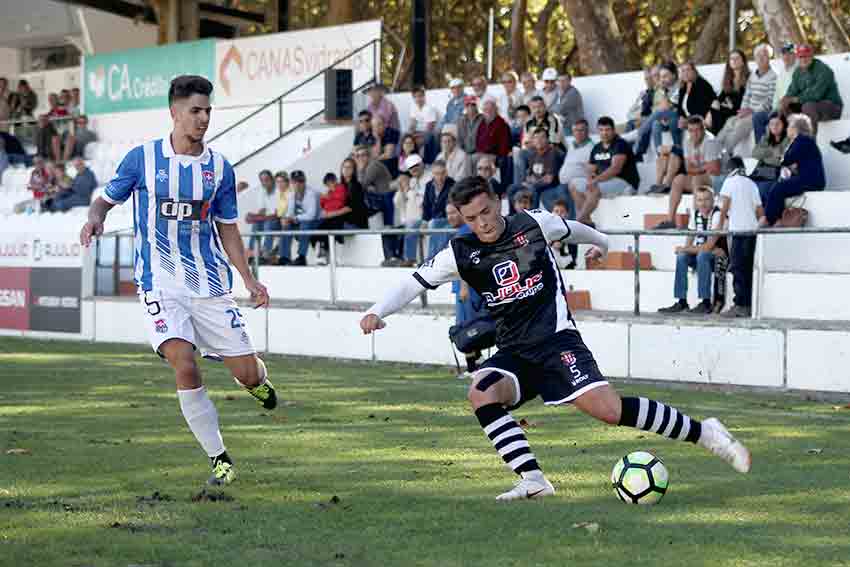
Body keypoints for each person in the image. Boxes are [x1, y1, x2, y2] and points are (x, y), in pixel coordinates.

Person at [359, 176, 751, 501]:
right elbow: (412, 283)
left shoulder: (532, 224)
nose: (483, 223)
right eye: (471, 218)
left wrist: (603, 241)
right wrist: (377, 311)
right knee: (482, 391)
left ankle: (707, 433)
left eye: (487, 211)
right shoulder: (460, 253)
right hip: (515, 351)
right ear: (461, 218)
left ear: (499, 202)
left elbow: (571, 230)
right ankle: (533, 480)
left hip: (558, 341)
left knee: (610, 412)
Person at [78, 75, 274, 487]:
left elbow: (229, 230)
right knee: (184, 365)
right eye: (195, 111)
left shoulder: (219, 168)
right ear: (174, 112)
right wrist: (95, 218)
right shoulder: (142, 159)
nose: (203, 119)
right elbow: (105, 200)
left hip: (209, 284)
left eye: (207, 111)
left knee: (249, 374)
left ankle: (255, 378)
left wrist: (249, 280)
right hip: (158, 283)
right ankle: (219, 458)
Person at [658, 186, 723, 314]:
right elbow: (690, 236)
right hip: (700, 254)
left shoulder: (718, 215)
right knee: (682, 256)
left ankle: (705, 302)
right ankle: (682, 301)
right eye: (699, 200)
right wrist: (685, 250)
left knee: (702, 255)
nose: (703, 203)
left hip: (718, 257)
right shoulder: (695, 213)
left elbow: (709, 246)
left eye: (706, 200)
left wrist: (686, 249)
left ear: (713, 200)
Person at [654, 116, 722, 229]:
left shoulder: (710, 141)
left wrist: (698, 169)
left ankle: (695, 222)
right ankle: (671, 220)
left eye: (697, 130)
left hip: (717, 179)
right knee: (678, 179)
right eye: (691, 130)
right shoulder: (688, 142)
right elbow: (688, 168)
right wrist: (702, 167)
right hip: (702, 176)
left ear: (703, 129)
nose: (694, 134)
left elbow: (714, 169)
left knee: (697, 178)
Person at [719, 160, 766, 318]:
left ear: (729, 169)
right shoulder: (752, 184)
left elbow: (724, 207)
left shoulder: (729, 181)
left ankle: (740, 305)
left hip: (738, 232)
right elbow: (760, 212)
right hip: (751, 232)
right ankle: (747, 304)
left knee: (737, 268)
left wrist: (718, 228)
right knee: (746, 269)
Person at [571, 116, 640, 224]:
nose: (604, 133)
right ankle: (586, 219)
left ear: (613, 130)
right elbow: (591, 168)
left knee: (594, 188)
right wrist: (590, 178)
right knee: (574, 184)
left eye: (607, 130)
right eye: (601, 130)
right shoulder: (597, 147)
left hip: (624, 182)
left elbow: (615, 169)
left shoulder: (620, 144)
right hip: (604, 182)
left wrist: (596, 180)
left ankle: (580, 219)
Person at [448, 202, 487, 379]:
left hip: (468, 288)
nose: (450, 217)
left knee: (467, 326)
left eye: (453, 213)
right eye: (447, 214)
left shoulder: (465, 232)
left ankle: (473, 368)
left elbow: (463, 262)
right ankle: (475, 366)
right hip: (468, 287)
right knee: (470, 325)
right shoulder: (463, 232)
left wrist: (463, 286)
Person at [762, 114, 825, 227]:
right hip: (809, 179)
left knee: (778, 188)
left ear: (795, 128)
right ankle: (774, 218)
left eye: (789, 126)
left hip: (811, 181)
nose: (786, 129)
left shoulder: (802, 140)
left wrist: (777, 157)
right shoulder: (804, 141)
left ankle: (769, 220)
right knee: (777, 187)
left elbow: (786, 159)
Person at [715, 44, 777, 155]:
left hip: (760, 113)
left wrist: (752, 111)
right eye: (758, 56)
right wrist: (743, 110)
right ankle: (713, 151)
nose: (761, 58)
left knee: (739, 126)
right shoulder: (753, 76)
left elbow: (769, 101)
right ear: (755, 58)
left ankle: (722, 154)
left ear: (769, 58)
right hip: (747, 112)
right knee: (730, 122)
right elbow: (747, 95)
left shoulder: (773, 76)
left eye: (764, 55)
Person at [780, 44, 843, 136]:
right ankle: (793, 140)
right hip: (810, 108)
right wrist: (785, 99)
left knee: (808, 106)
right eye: (801, 57)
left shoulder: (823, 69)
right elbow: (792, 91)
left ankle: (810, 143)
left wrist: (795, 99)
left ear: (812, 56)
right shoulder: (798, 72)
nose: (803, 59)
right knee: (785, 106)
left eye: (806, 56)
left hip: (831, 107)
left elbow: (816, 94)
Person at [507, 127, 565, 212]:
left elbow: (548, 179)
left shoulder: (553, 153)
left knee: (532, 190)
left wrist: (533, 182)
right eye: (536, 137)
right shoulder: (533, 153)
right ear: (533, 141)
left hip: (548, 186)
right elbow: (530, 175)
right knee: (511, 189)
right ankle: (512, 217)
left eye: (542, 137)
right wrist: (528, 181)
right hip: (534, 183)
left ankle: (533, 219)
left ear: (547, 139)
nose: (539, 140)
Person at [634, 61, 682, 161]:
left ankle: (641, 133)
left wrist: (663, 109)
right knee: (656, 123)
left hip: (679, 117)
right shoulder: (665, 88)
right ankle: (660, 156)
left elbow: (666, 107)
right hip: (667, 118)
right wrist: (663, 90)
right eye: (661, 77)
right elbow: (664, 106)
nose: (662, 79)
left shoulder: (679, 86)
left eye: (665, 76)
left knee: (657, 114)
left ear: (673, 75)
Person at [754, 42, 797, 138]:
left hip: (792, 107)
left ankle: (782, 149)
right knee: (758, 117)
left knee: (778, 120)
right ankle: (761, 150)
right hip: (778, 108)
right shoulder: (782, 72)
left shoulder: (799, 70)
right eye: (784, 54)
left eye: (790, 54)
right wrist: (774, 109)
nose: (786, 56)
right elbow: (777, 94)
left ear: (795, 55)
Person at [279, 169, 321, 266]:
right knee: (286, 226)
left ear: (304, 182)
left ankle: (302, 257)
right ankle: (284, 257)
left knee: (305, 224)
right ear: (291, 183)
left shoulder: (311, 193)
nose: (297, 184)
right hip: (302, 221)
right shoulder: (292, 195)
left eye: (300, 181)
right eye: (294, 182)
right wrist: (286, 219)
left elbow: (311, 215)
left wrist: (294, 218)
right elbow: (290, 213)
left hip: (317, 221)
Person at [706, 50, 750, 136]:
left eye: (737, 58)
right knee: (714, 106)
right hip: (728, 109)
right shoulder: (729, 79)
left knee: (719, 112)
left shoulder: (748, 77)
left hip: (740, 110)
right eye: (731, 59)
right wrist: (709, 112)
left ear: (743, 61)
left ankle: (718, 140)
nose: (734, 61)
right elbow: (720, 98)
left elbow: (744, 99)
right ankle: (717, 140)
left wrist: (728, 104)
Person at [750, 112, 789, 202]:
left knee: (763, 189)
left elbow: (780, 160)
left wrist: (764, 156)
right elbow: (755, 153)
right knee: (747, 184)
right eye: (771, 124)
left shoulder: (787, 139)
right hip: (762, 171)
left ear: (784, 125)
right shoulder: (766, 138)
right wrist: (772, 152)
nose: (774, 127)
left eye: (778, 124)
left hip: (776, 172)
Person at [422, 159, 455, 257]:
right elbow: (426, 205)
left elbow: (451, 207)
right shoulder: (429, 185)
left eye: (442, 173)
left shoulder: (453, 185)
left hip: (448, 219)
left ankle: (431, 258)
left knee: (434, 224)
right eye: (437, 173)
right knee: (411, 224)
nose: (439, 177)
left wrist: (431, 221)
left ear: (446, 173)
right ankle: (409, 258)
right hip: (432, 219)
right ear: (432, 174)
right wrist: (424, 221)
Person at [246, 170, 281, 263]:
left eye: (267, 180)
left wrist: (257, 217)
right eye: (262, 180)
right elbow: (262, 211)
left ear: (272, 180)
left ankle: (266, 254)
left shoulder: (278, 191)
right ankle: (252, 253)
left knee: (268, 224)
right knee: (256, 224)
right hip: (267, 219)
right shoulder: (262, 191)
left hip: (279, 221)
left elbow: (276, 215)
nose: (264, 183)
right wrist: (252, 216)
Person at [675, 61, 716, 127]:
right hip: (688, 119)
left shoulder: (701, 84)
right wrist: (681, 117)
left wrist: (688, 120)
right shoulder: (683, 87)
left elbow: (702, 109)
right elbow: (679, 106)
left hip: (701, 120)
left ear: (694, 71)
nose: (685, 73)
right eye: (683, 71)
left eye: (688, 70)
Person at [407, 86, 439, 163]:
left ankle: (426, 162)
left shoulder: (429, 108)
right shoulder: (413, 107)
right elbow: (412, 124)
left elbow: (430, 128)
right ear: (413, 98)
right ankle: (408, 161)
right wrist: (410, 134)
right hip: (419, 132)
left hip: (430, 132)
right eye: (416, 97)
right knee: (405, 137)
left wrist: (417, 136)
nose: (418, 99)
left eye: (420, 96)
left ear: (424, 97)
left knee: (426, 137)